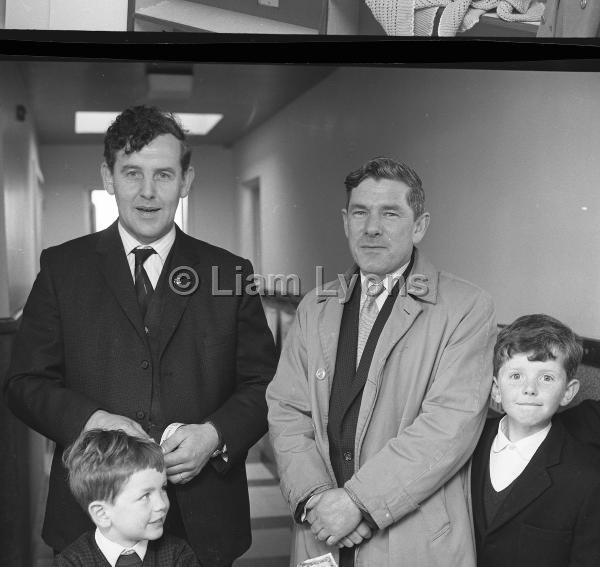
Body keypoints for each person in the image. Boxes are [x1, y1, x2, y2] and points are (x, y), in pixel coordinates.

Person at [4, 105, 277, 566]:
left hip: (204, 523)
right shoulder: (62, 268)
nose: (148, 193)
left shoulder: (228, 273)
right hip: (91, 523)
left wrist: (214, 435)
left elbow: (266, 384)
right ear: (108, 177)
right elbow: (24, 383)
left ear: (186, 181)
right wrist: (90, 420)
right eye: (132, 173)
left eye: (164, 175)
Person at [266, 156, 497, 566]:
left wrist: (359, 502)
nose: (372, 227)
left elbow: (448, 426)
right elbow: (287, 412)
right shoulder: (315, 307)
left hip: (411, 536)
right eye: (360, 213)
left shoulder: (465, 307)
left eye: (390, 213)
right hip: (322, 531)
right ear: (345, 221)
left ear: (420, 225)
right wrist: (317, 498)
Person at [471, 314, 600, 567]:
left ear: (568, 392)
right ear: (496, 389)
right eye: (516, 376)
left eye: (547, 378)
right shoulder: (467, 444)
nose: (530, 388)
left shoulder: (587, 477)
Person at [54, 429, 199, 566]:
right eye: (145, 496)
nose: (161, 504)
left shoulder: (178, 555)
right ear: (102, 513)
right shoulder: (71, 562)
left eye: (163, 488)